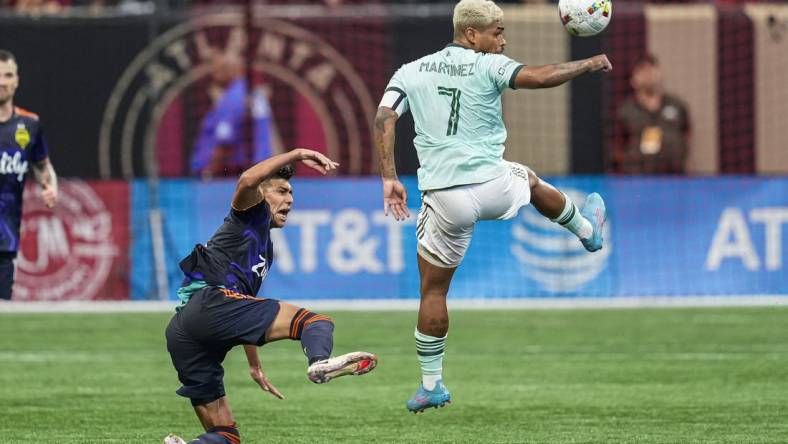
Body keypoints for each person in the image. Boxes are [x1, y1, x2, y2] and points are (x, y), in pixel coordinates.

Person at [374, 0, 610, 413]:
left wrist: (389, 177)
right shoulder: (488, 66)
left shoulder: (409, 71)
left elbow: (383, 118)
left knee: (432, 290)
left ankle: (431, 385)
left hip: (445, 198)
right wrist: (586, 64)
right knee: (532, 181)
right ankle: (587, 232)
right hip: (493, 184)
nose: (503, 39)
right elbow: (538, 77)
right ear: (471, 35)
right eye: (497, 32)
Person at [164, 149, 378, 444]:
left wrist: (254, 365)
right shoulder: (249, 214)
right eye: (281, 190)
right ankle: (318, 361)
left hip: (183, 331)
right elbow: (247, 179)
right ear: (261, 194)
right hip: (210, 304)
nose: (290, 199)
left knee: (226, 436)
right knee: (315, 323)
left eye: (291, 193)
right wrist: (299, 153)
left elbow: (244, 305)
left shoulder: (265, 247)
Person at [0, 49, 58, 300]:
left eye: (8, 75)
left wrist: (50, 186)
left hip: (5, 236)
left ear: (17, 80)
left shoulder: (29, 125)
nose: (2, 81)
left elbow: (42, 165)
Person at [190, 52, 283, 179]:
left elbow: (225, 142)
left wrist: (209, 172)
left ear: (233, 71)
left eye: (219, 69)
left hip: (232, 176)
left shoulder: (232, 98)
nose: (214, 74)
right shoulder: (248, 93)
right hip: (260, 170)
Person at [610, 54, 690, 174]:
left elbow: (687, 133)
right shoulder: (625, 111)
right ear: (633, 79)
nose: (649, 75)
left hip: (674, 176)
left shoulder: (677, 105)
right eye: (642, 71)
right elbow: (617, 146)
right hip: (637, 177)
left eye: (652, 68)